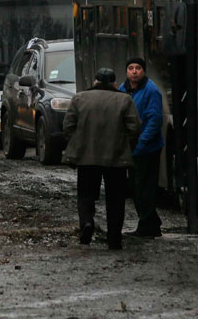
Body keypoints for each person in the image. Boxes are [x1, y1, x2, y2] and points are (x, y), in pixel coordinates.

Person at [62, 67, 141, 250]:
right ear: (115, 83)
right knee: (115, 199)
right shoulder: (125, 99)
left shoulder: (80, 98)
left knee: (86, 195)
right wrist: (124, 145)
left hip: (86, 158)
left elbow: (68, 127)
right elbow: (134, 128)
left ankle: (87, 222)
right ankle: (114, 239)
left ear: (95, 82)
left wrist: (80, 143)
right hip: (116, 158)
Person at [120, 56, 164, 238]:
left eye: (138, 68)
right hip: (132, 147)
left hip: (147, 148)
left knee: (143, 188)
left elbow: (154, 120)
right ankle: (152, 222)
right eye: (131, 68)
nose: (134, 71)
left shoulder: (151, 91)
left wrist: (142, 142)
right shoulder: (124, 89)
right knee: (135, 187)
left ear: (144, 71)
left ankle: (147, 226)